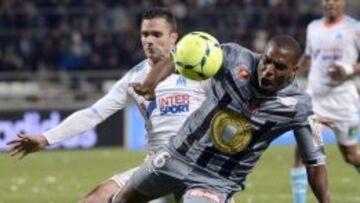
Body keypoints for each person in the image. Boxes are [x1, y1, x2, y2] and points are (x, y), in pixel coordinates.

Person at [6, 7, 210, 203]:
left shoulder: (199, 69)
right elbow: (93, 114)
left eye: (157, 34)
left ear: (173, 38)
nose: (149, 40)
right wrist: (46, 138)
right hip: (155, 168)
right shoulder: (133, 79)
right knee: (92, 200)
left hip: (197, 166)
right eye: (145, 34)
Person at [109, 35, 331, 203]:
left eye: (279, 67)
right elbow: (180, 55)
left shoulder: (300, 107)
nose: (268, 71)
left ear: (294, 70)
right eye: (267, 61)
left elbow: (315, 164)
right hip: (175, 155)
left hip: (215, 180)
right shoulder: (234, 58)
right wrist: (151, 83)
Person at [291, 0, 360, 202]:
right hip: (314, 100)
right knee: (304, 153)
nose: (330, 3)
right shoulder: (313, 27)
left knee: (350, 156)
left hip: (342, 102)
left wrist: (349, 70)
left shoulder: (354, 28)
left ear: (343, 2)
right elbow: (309, 56)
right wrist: (292, 74)